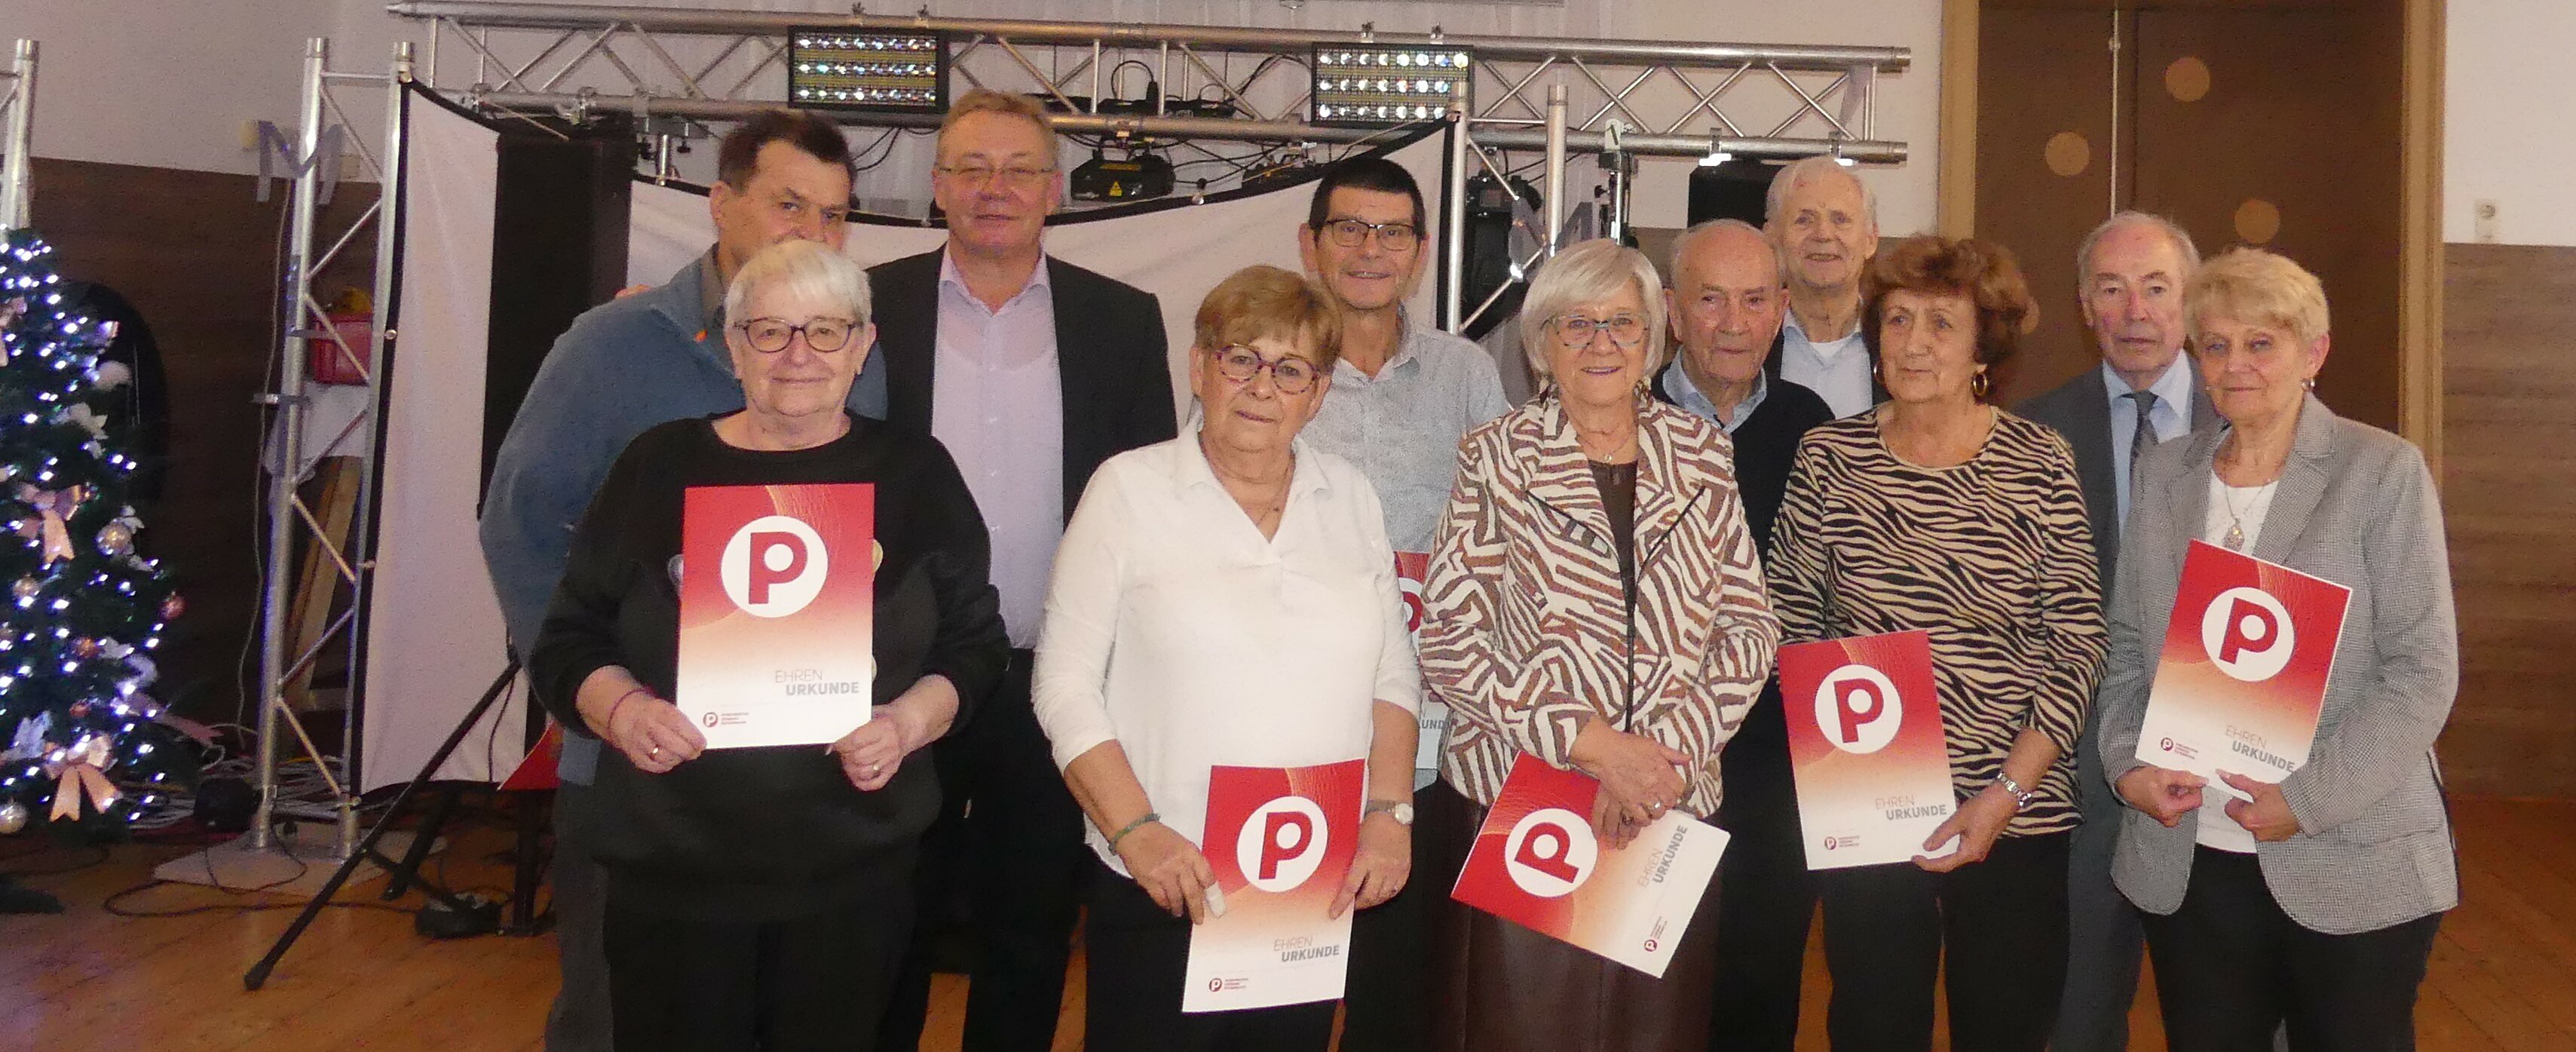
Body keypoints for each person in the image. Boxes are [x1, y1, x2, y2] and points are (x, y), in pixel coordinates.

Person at [528, 240, 1009, 1051]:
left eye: (825, 330)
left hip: (850, 865)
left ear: (862, 346)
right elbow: (567, 638)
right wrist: (624, 710)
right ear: (732, 343)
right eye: (769, 330)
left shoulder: (914, 475)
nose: (797, 355)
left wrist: (906, 725)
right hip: (673, 861)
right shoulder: (658, 464)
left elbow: (974, 646)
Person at [476, 109, 869, 1052]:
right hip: (636, 764)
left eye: (833, 214)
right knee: (616, 1015)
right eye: (789, 205)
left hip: (796, 771)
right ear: (721, 203)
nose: (813, 232)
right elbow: (519, 523)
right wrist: (591, 692)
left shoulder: (857, 349)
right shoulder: (613, 344)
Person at [1031, 265, 1421, 1052]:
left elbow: (1393, 674)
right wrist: (1135, 830)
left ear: (1318, 394)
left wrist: (1389, 814)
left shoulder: (1350, 497)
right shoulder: (1127, 490)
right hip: (1167, 875)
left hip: (1304, 876)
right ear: (1200, 367)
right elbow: (1063, 684)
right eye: (1241, 358)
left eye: (1290, 370)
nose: (1261, 387)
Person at [867, 87, 1178, 1052]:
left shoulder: (1121, 320)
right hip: (894, 672)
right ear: (938, 186)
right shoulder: (867, 306)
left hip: (1053, 674)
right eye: (971, 169)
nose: (993, 189)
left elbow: (1149, 498)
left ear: (1053, 190)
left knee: (1031, 927)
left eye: (1017, 171)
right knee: (887, 921)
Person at [1418, 239, 1778, 1052]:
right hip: (1525, 796)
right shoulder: (1496, 457)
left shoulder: (1703, 454)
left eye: (1622, 323)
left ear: (1652, 338)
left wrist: (1659, 761)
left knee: (1649, 1034)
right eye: (1576, 324)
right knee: (1521, 1031)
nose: (1601, 343)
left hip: (1668, 798)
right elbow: (1448, 637)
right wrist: (1595, 748)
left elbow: (1750, 628)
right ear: (1542, 343)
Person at [2098, 247, 2458, 1051]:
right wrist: (2127, 764)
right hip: (2191, 856)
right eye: (2216, 345)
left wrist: (2306, 798)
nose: (2236, 364)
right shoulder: (2164, 473)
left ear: (2314, 353)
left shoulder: (2381, 472)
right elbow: (2125, 650)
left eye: (2261, 343)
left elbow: (2422, 672)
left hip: (2348, 849)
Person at [1766, 235, 2106, 1052]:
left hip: (2016, 807)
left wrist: (2005, 793)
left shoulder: (2039, 460)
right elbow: (1787, 622)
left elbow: (2078, 640)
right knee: (1873, 1025)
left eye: (1942, 324)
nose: (1915, 343)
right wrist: (1848, 760)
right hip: (1870, 800)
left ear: (1982, 350)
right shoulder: (1829, 457)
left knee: (2006, 1028)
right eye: (1897, 321)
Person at [1291, 155, 1510, 1052]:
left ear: (1419, 254)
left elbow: (1510, 531)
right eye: (1349, 228)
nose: (1370, 249)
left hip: (1432, 736)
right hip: (1294, 731)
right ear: (1310, 244)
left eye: (1392, 233)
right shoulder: (1272, 365)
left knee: (1404, 993)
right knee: (1285, 983)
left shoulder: (1467, 375)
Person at [2015, 210, 2217, 1052]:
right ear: (2083, 306)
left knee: (2229, 1007)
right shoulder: (2030, 431)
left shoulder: (2249, 416)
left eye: (2156, 288)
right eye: (2111, 289)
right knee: (2076, 1005)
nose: (2135, 311)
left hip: (2223, 753)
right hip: (2079, 756)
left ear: (2190, 301)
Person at [1649, 217, 1833, 1052]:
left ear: (1782, 309)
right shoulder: (1622, 411)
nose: (1733, 323)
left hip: (1772, 754)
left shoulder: (1810, 424)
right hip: (1646, 746)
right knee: (1644, 975)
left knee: (1759, 980)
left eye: (1755, 300)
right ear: (1672, 311)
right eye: (1710, 300)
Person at [1763, 156, 1887, 418]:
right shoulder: (1748, 341)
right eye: (1803, 220)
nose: (1823, 234)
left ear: (1871, 240)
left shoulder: (1895, 342)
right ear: (1772, 238)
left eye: (1840, 219)